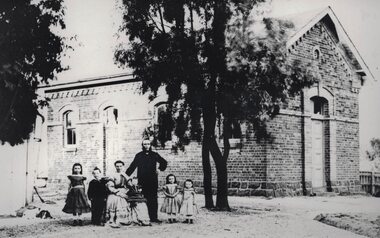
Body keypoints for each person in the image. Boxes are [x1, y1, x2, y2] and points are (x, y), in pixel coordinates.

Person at [126, 139, 167, 223]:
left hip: (152, 180)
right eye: (144, 144)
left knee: (153, 198)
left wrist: (159, 169)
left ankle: (153, 217)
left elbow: (164, 162)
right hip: (142, 180)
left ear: (150, 145)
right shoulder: (139, 155)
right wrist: (125, 176)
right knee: (142, 198)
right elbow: (132, 167)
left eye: (148, 144)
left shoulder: (154, 155)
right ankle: (143, 216)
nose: (146, 145)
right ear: (142, 145)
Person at [105, 160, 130, 228]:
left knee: (122, 199)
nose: (119, 167)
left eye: (120, 166)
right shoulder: (112, 175)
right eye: (117, 166)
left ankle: (122, 220)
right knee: (113, 199)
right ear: (115, 167)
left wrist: (125, 191)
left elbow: (129, 186)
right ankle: (112, 219)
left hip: (123, 191)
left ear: (123, 166)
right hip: (114, 191)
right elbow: (110, 186)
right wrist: (117, 192)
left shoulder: (125, 175)